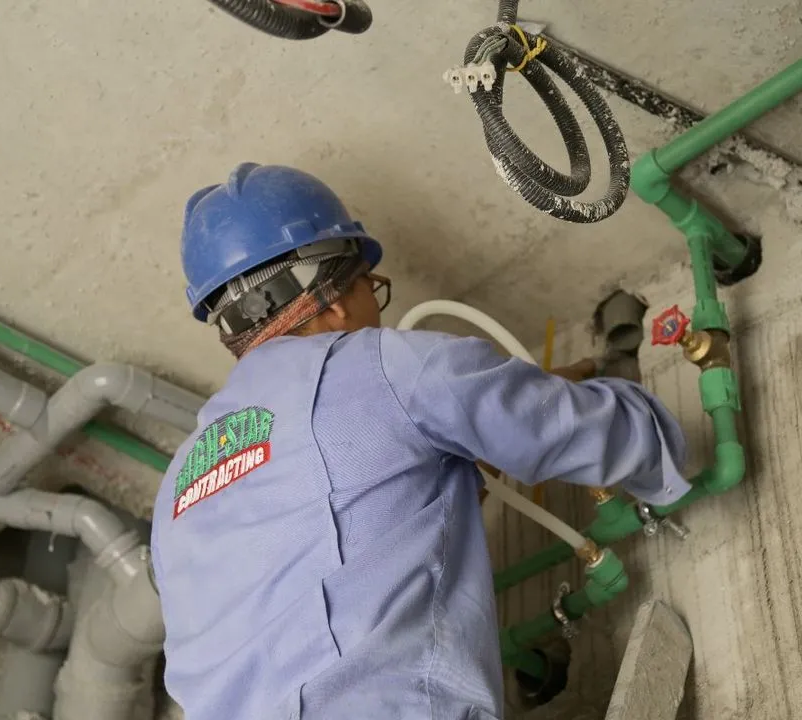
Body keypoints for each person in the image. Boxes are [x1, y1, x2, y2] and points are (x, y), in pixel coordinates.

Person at [150, 163, 692, 720]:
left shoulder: (174, 495)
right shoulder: (383, 365)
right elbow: (584, 432)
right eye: (371, 288)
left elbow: (333, 541)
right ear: (335, 298)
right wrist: (660, 443)